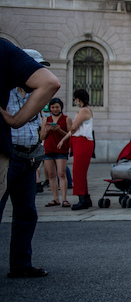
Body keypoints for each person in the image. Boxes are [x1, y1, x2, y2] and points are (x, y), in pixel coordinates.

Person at [0, 44, 59, 279]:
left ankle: (21, 264)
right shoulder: (7, 91)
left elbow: (36, 125)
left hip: (28, 156)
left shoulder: (37, 96)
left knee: (26, 213)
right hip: (9, 155)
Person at [57, 89, 94, 210]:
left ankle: (82, 199)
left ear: (78, 99)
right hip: (80, 141)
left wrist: (64, 138)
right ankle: (85, 198)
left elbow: (73, 127)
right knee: (80, 172)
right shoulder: (85, 110)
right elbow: (73, 130)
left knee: (78, 171)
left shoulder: (84, 110)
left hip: (82, 142)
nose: (75, 101)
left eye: (75, 99)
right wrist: (63, 140)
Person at [40, 98, 72, 207]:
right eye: (53, 107)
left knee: (61, 174)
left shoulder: (66, 119)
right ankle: (55, 199)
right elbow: (42, 137)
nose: (55, 109)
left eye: (57, 107)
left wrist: (58, 129)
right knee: (51, 175)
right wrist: (47, 130)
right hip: (48, 149)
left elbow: (69, 135)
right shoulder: (46, 120)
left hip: (61, 150)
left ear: (61, 107)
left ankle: (64, 199)